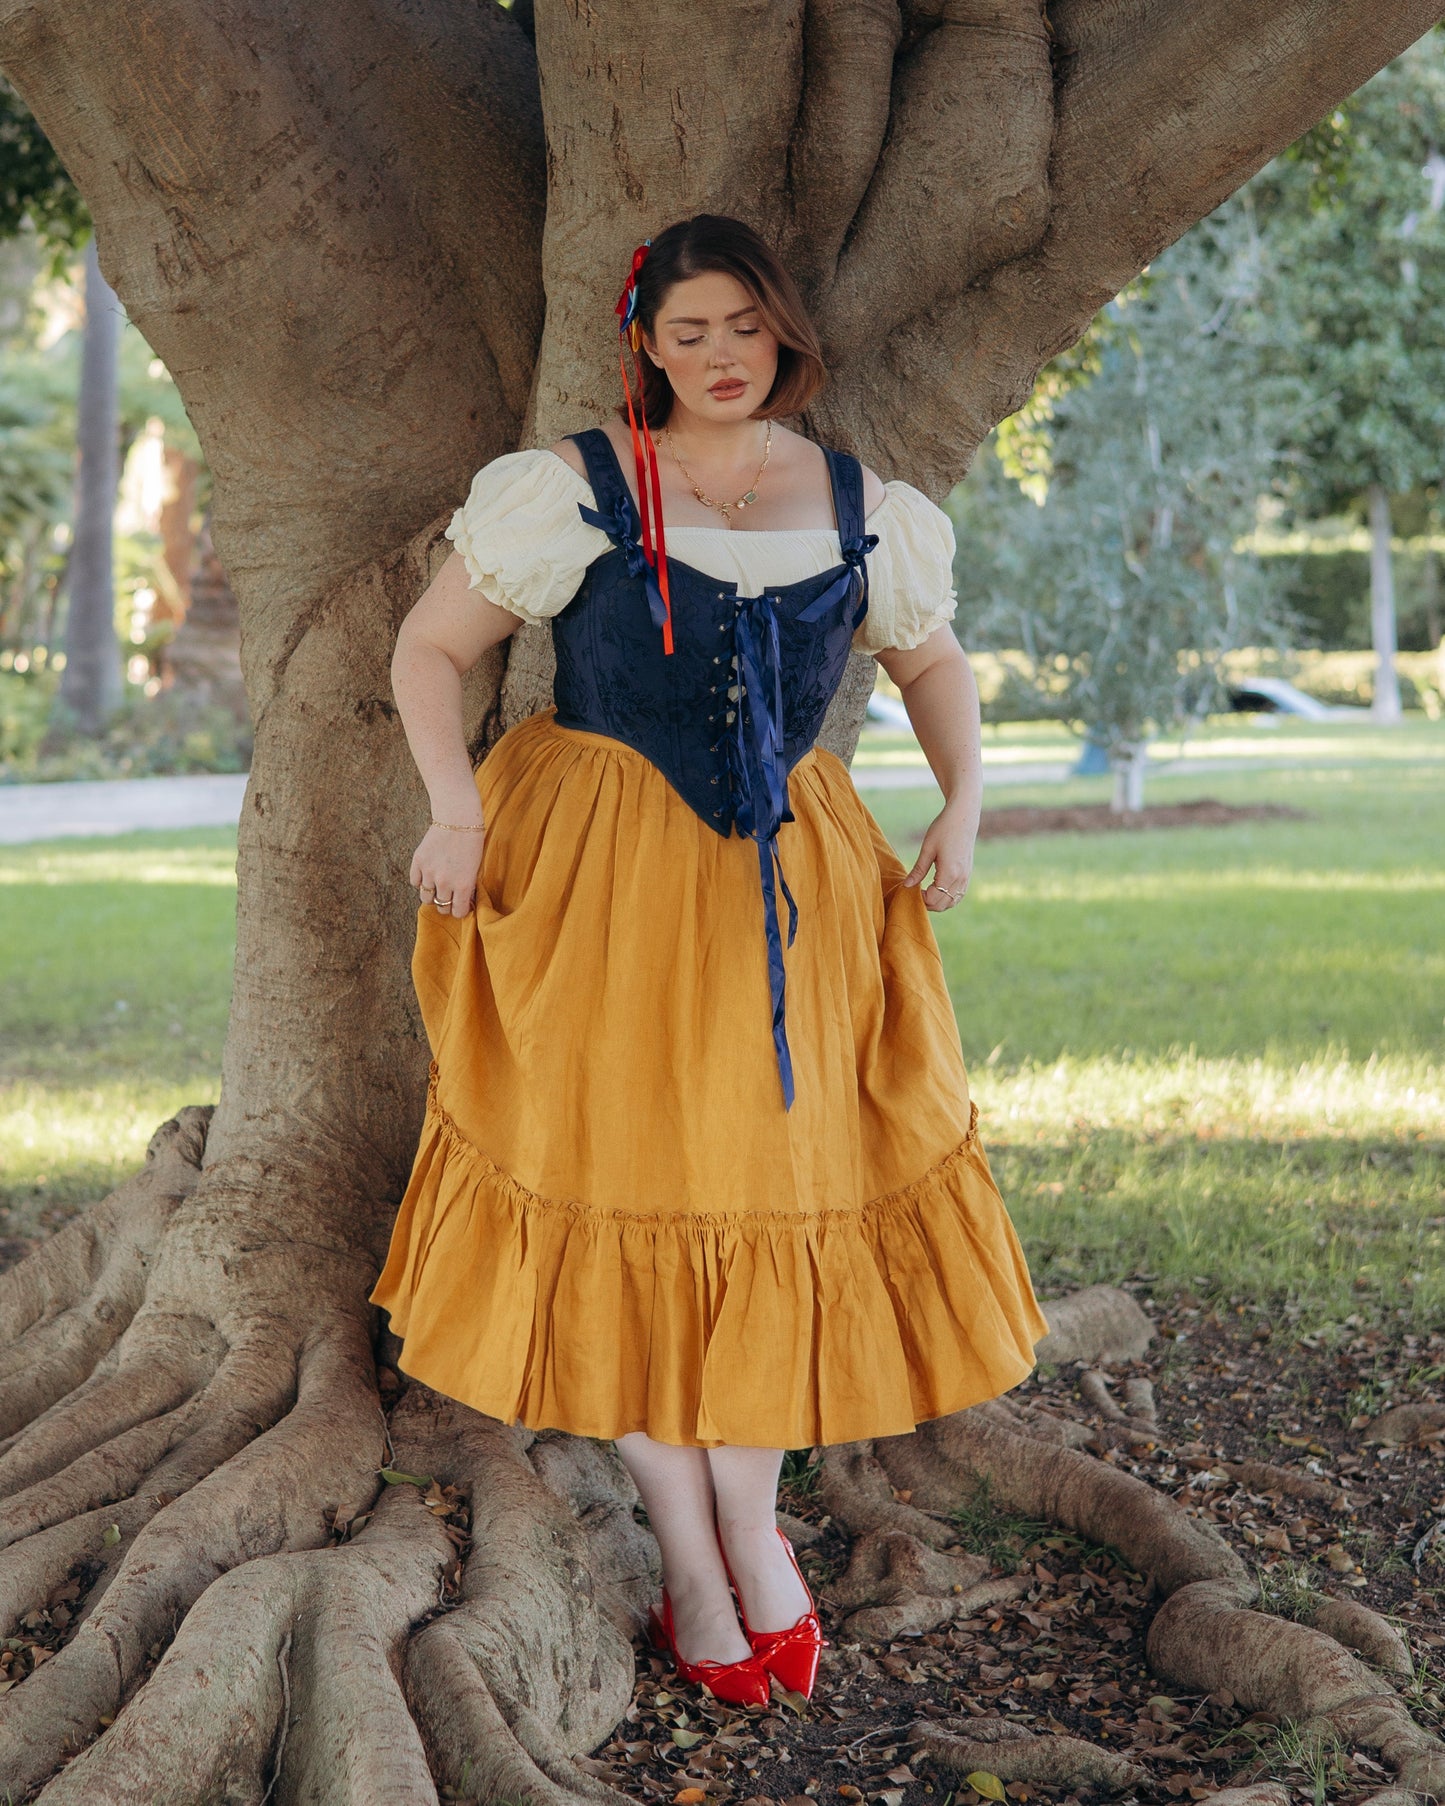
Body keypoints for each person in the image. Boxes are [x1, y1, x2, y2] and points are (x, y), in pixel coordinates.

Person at [370, 215, 1048, 1707]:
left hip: (788, 887)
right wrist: (455, 806)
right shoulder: (569, 488)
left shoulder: (865, 501)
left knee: (769, 1194)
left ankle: (754, 1526)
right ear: (645, 344)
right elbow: (431, 651)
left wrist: (965, 803)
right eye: (688, 334)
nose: (720, 357)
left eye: (742, 327)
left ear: (781, 330)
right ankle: (689, 1553)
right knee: (628, 1191)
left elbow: (927, 662)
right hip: (599, 881)